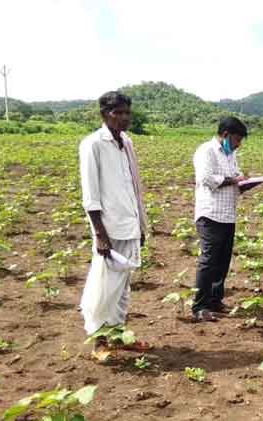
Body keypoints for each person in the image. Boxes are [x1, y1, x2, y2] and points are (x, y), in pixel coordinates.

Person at [78, 91, 149, 352]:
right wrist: (100, 233)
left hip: (129, 223)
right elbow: (91, 195)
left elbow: (133, 186)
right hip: (108, 227)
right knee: (104, 286)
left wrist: (141, 224)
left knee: (122, 287)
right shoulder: (92, 144)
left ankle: (118, 335)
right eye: (116, 113)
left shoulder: (126, 142)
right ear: (104, 115)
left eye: (126, 112)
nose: (123, 118)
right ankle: (99, 341)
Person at [191, 117, 253, 322]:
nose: (238, 144)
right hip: (210, 214)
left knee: (222, 261)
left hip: (228, 214)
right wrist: (233, 180)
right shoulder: (206, 151)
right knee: (208, 261)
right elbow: (206, 179)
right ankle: (200, 306)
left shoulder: (230, 154)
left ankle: (215, 301)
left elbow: (234, 176)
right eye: (237, 139)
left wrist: (243, 181)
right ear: (226, 135)